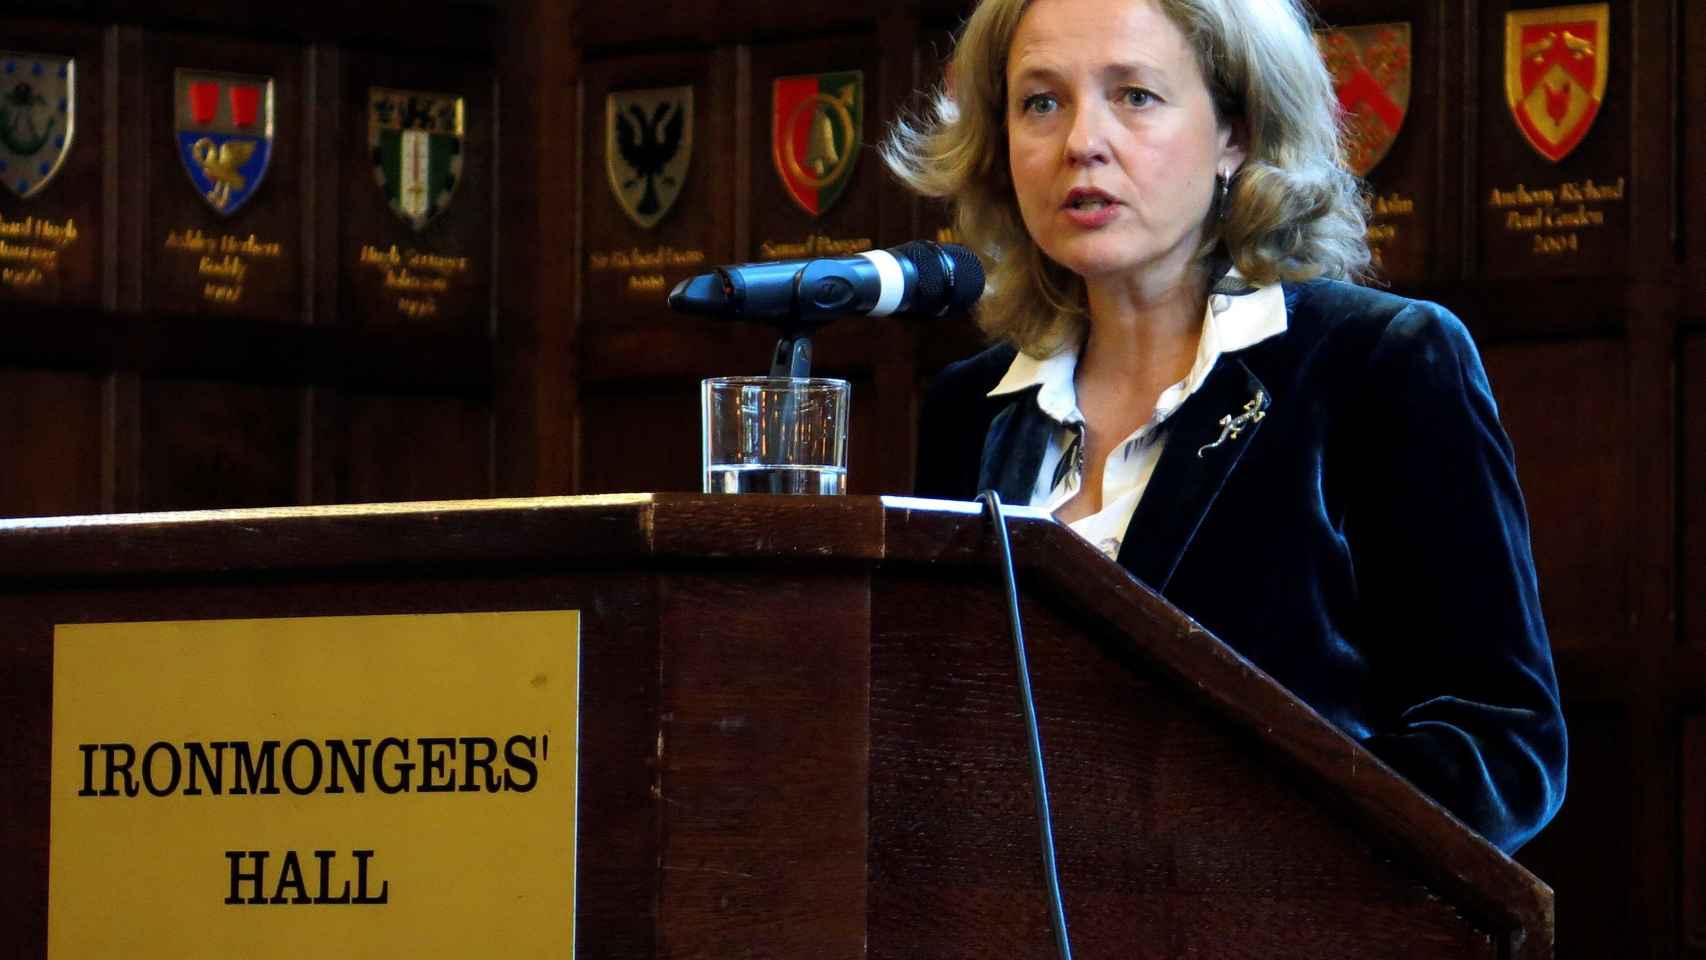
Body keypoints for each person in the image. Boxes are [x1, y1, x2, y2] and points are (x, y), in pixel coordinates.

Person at [884, 0, 1566, 853]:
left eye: (1134, 95)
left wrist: (1239, 851)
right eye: (1041, 102)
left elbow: (1502, 748)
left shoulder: (1377, 364)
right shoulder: (967, 410)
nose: (1080, 142)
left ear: (1236, 135)